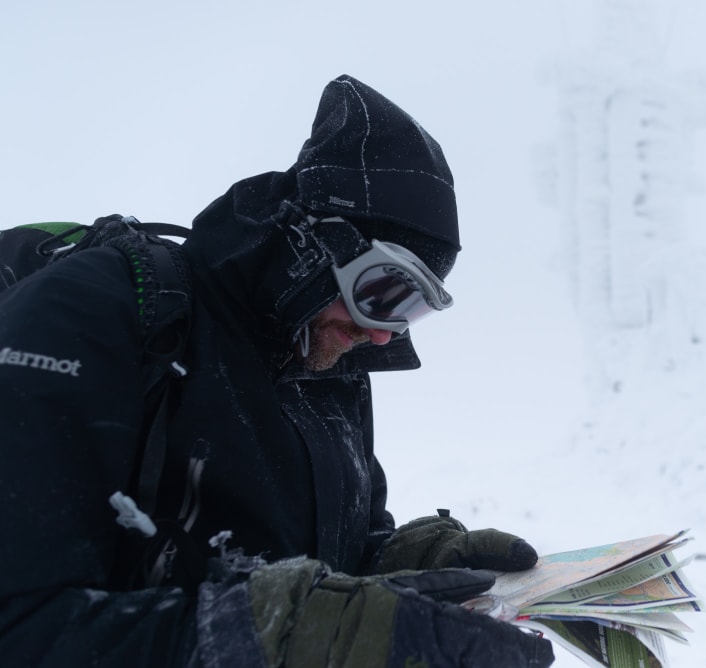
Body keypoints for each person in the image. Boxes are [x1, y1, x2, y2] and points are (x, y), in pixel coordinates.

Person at [0, 75, 555, 667]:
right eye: (385, 292)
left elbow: (332, 560)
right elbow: (20, 624)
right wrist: (274, 635)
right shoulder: (95, 312)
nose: (382, 333)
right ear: (311, 246)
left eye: (413, 309)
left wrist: (404, 562)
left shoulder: (330, 371)